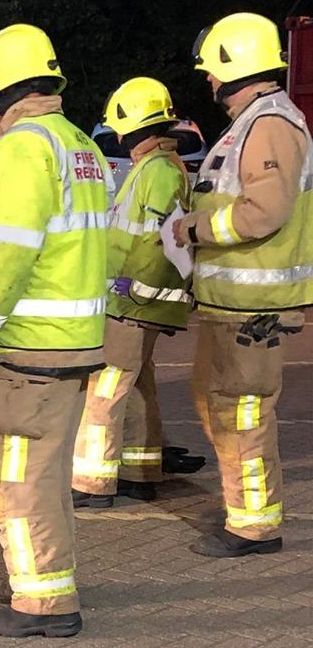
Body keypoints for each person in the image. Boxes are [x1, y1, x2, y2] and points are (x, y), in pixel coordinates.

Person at [0, 24, 111, 638]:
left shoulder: (22, 149)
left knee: (17, 474)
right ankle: (40, 578)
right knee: (43, 472)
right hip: (72, 343)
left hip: (30, 344)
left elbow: (10, 255)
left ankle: (44, 603)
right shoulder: (82, 147)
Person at [173, 12, 312, 557]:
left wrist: (195, 229)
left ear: (234, 63)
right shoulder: (254, 121)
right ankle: (245, 510)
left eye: (212, 68)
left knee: (244, 413)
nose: (208, 79)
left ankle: (255, 527)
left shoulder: (270, 123)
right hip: (234, 305)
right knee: (222, 405)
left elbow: (264, 210)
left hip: (256, 305)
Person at [70, 78, 193, 508]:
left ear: (132, 127)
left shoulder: (158, 171)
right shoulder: (156, 167)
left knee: (103, 390)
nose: (117, 137)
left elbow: (162, 240)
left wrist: (129, 293)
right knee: (138, 387)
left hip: (134, 304)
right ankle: (140, 472)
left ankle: (92, 482)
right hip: (142, 302)